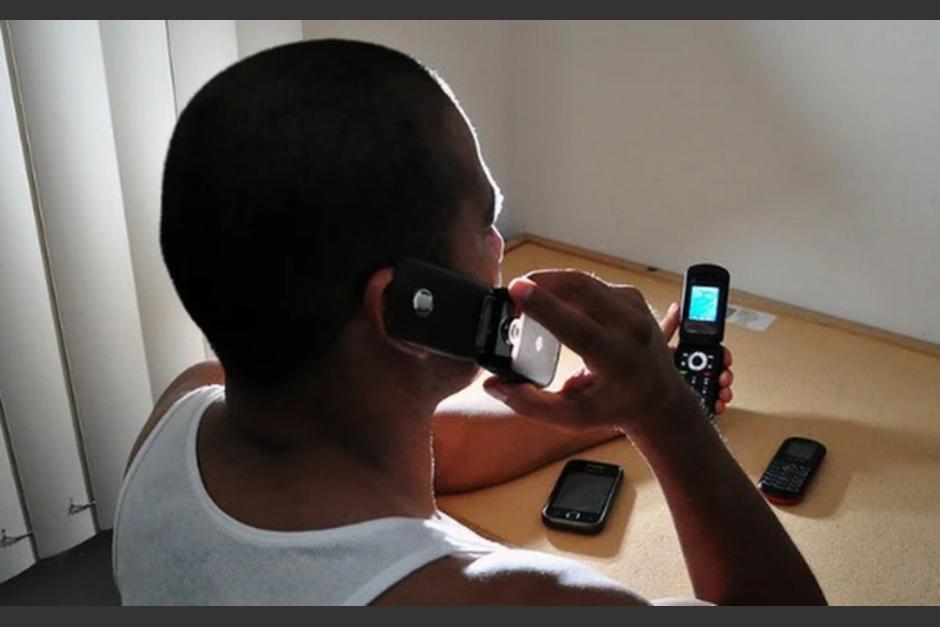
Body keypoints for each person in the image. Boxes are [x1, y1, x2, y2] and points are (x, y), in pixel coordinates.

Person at [112, 39, 826, 605]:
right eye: (485, 220)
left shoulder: (182, 413)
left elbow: (438, 450)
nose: (499, 247)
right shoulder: (520, 601)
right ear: (405, 309)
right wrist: (671, 416)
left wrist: (619, 406)